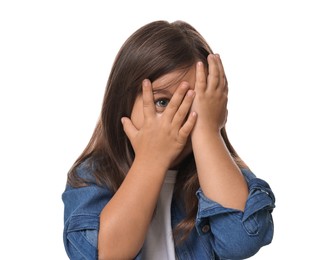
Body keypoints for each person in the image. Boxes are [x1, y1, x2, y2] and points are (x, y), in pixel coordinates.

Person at [62, 20, 275, 260]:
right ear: (123, 102)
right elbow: (103, 255)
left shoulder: (221, 175)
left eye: (195, 105)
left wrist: (207, 130)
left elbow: (242, 242)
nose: (180, 117)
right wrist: (152, 159)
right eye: (162, 102)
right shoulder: (92, 175)